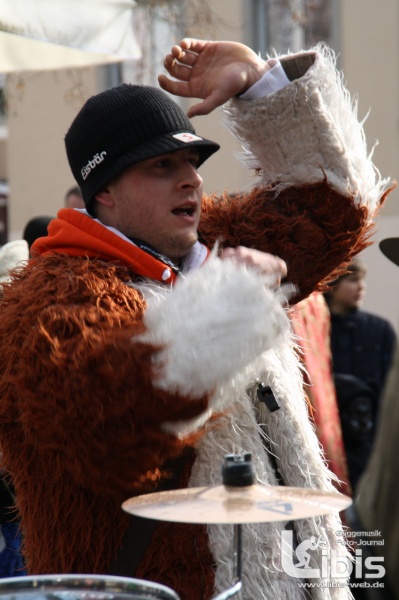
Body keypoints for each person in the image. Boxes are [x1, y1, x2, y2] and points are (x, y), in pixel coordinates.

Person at [0, 38, 392, 599]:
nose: (193, 179)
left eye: (192, 161)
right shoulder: (45, 298)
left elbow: (333, 209)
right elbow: (109, 427)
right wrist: (221, 312)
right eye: (164, 165)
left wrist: (262, 87)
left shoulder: (212, 244)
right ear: (103, 189)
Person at [324, 257, 396, 410]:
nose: (361, 286)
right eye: (353, 280)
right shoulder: (317, 329)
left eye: (363, 280)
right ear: (331, 285)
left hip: (371, 423)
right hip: (327, 417)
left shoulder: (380, 329)